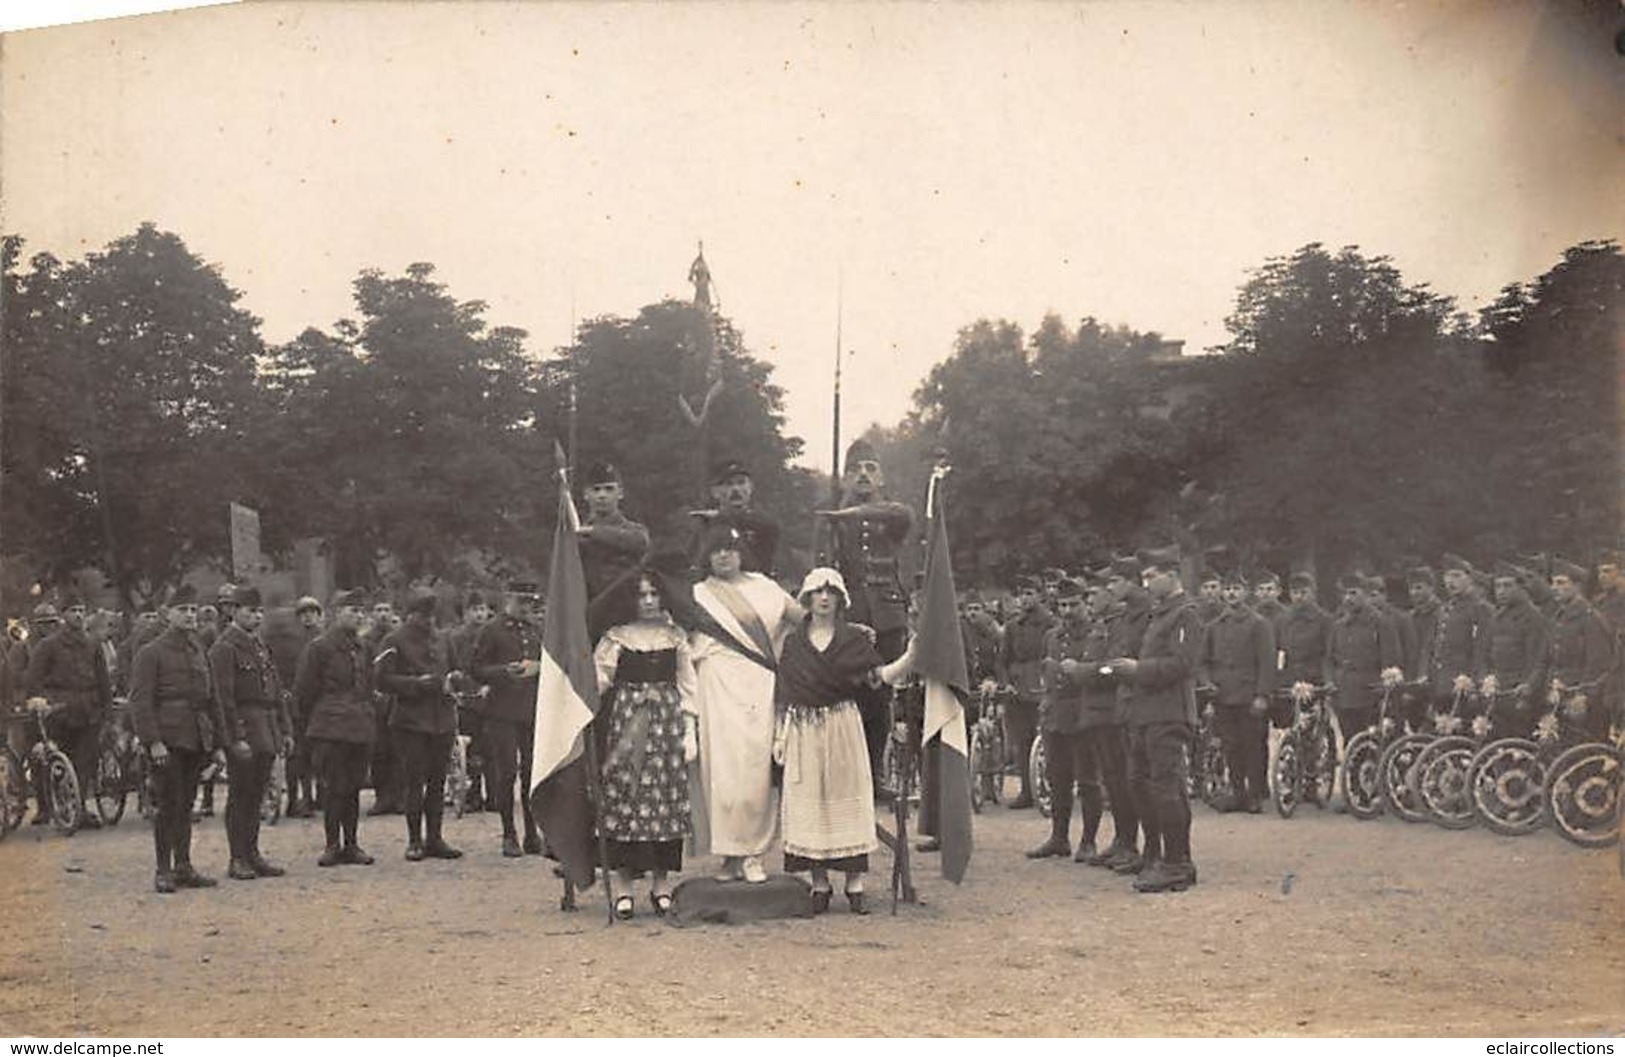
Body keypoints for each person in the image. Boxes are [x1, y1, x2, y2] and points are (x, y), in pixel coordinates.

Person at [774, 568, 915, 915]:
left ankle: (854, 883)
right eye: (817, 592)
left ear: (840, 599)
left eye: (830, 592)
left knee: (845, 799)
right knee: (810, 800)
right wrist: (780, 734)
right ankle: (819, 883)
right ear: (807, 599)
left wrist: (912, 655)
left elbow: (877, 677)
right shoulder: (794, 643)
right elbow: (786, 694)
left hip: (841, 725)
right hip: (805, 728)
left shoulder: (853, 639)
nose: (824, 598)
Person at [691, 523, 801, 884]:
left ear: (742, 552)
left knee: (755, 768)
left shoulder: (766, 588)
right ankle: (728, 855)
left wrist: (853, 630)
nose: (723, 555)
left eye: (730, 548)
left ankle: (754, 853)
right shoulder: (697, 593)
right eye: (716, 549)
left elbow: (806, 619)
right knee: (720, 770)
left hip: (758, 683)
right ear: (706, 555)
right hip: (715, 682)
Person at [592, 567, 699, 918]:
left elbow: (688, 685)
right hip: (628, 721)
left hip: (666, 724)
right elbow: (600, 678)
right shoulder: (618, 637)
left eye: (654, 594)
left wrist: (689, 729)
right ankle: (624, 888)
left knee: (664, 804)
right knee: (628, 798)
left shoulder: (676, 636)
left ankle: (661, 884)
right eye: (642, 595)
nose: (649, 601)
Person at [816, 438, 915, 785]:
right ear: (843, 479)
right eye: (855, 469)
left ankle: (875, 773)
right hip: (849, 618)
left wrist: (846, 512)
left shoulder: (892, 516)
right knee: (846, 697)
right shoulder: (830, 520)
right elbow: (823, 571)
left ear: (882, 479)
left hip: (888, 618)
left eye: (870, 469)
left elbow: (900, 514)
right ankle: (847, 774)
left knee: (880, 695)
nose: (863, 475)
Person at [1107, 546, 1203, 894]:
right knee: (1141, 784)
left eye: (1152, 576)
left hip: (1169, 713)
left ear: (1172, 575)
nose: (1146, 583)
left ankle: (1177, 862)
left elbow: (1183, 665)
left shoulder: (1185, 615)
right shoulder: (1160, 614)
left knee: (1167, 787)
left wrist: (1138, 670)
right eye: (1144, 577)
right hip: (1146, 713)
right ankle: (1159, 856)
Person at [128, 589, 226, 892]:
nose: (189, 614)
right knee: (168, 804)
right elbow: (140, 702)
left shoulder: (198, 651)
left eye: (193, 609)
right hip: (167, 740)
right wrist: (153, 741)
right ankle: (163, 869)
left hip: (196, 736)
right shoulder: (151, 653)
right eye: (182, 609)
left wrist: (219, 743)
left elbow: (213, 699)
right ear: (166, 614)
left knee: (187, 804)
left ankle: (184, 866)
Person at [209, 585, 292, 880]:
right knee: (240, 794)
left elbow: (276, 690)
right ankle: (237, 857)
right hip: (244, 726)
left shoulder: (260, 646)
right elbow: (223, 698)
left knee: (257, 794)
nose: (256, 617)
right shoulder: (224, 648)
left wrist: (285, 729)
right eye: (249, 611)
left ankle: (253, 852)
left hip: (266, 725)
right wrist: (234, 738)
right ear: (234, 612)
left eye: (259, 612)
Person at [375, 590, 463, 862]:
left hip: (442, 720)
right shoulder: (394, 640)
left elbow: (456, 669)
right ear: (410, 614)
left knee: (437, 782)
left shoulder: (443, 639)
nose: (426, 622)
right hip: (411, 721)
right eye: (421, 616)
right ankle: (414, 840)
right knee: (414, 782)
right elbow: (381, 680)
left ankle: (435, 838)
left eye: (430, 616)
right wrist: (416, 684)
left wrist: (456, 679)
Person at [294, 589, 377, 867]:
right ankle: (332, 845)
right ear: (335, 614)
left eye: (360, 611)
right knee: (331, 787)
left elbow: (368, 686)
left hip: (358, 725)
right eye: (351, 610)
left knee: (353, 786)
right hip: (329, 727)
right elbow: (304, 692)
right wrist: (316, 724)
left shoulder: (363, 647)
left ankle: (352, 844)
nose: (358, 616)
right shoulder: (319, 648)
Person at [1028, 577, 1106, 861]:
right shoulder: (1052, 636)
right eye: (1062, 605)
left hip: (1084, 715)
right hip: (1055, 715)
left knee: (1087, 780)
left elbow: (1099, 672)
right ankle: (1059, 838)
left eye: (1074, 604)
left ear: (1085, 603)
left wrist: (1078, 670)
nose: (1068, 610)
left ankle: (1088, 841)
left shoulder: (1098, 634)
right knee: (1057, 778)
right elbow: (1045, 669)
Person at [469, 581, 546, 857]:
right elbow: (476, 668)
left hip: (530, 709)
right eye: (522, 602)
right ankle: (508, 833)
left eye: (531, 603)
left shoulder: (535, 629)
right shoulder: (492, 630)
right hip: (502, 711)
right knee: (506, 772)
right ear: (509, 599)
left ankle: (531, 832)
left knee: (531, 773)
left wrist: (538, 669)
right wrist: (504, 671)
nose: (527, 607)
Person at [24, 594, 112, 828]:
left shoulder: (93, 644)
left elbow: (103, 679)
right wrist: (39, 701)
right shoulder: (48, 646)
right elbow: (33, 678)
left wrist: (107, 709)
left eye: (82, 610)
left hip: (88, 709)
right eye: (73, 610)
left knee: (86, 762)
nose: (79, 615)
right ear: (63, 616)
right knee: (58, 764)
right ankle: (59, 807)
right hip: (59, 711)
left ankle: (79, 809)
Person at [1197, 572, 1275, 813]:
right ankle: (1237, 792)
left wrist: (1262, 694)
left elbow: (1267, 661)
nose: (1231, 593)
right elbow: (1202, 661)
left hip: (1249, 694)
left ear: (1246, 592)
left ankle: (1255, 794)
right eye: (1228, 589)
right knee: (1230, 746)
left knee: (1252, 745)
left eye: (1237, 589)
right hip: (1223, 695)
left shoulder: (1259, 624)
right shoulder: (1213, 626)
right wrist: (1208, 683)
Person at [998, 576, 1053, 810]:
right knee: (1021, 741)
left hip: (1041, 684)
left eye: (1030, 593)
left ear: (1040, 596)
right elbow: (1002, 660)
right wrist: (1005, 682)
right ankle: (1026, 791)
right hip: (1018, 688)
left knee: (1047, 739)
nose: (1025, 598)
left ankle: (1048, 788)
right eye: (1022, 594)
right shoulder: (1012, 626)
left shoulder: (1050, 624)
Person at [1546, 558, 1616, 741]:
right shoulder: (1559, 617)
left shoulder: (1590, 618)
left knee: (1583, 758)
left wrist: (1584, 696)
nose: (1554, 587)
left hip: (1585, 701)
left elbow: (1599, 664)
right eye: (1552, 583)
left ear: (1577, 586)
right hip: (1560, 694)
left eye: (1561, 582)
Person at [578, 461, 652, 630]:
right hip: (589, 621)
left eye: (609, 489)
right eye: (596, 490)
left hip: (627, 620)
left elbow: (640, 543)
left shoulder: (634, 532)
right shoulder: (576, 538)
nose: (602, 495)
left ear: (620, 493)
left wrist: (594, 531)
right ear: (585, 494)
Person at [1483, 563, 1549, 740]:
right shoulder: (1496, 618)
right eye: (1498, 586)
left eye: (1507, 585)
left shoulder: (1533, 617)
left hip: (1520, 695)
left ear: (1521, 588)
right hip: (1498, 692)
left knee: (1519, 748)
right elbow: (1487, 655)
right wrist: (1488, 679)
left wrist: (1528, 685)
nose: (1501, 591)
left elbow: (1538, 659)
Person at [688, 458, 780, 577]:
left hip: (756, 588)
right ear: (715, 492)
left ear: (750, 487)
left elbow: (768, 528)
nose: (735, 489)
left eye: (741, 482)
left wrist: (721, 516)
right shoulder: (703, 524)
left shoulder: (764, 524)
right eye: (728, 484)